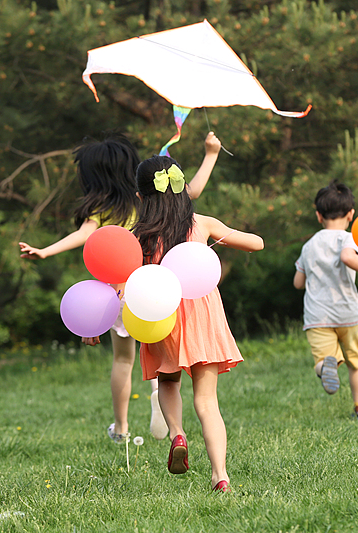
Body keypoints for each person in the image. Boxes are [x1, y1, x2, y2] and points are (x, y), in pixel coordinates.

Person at [19, 132, 223, 444]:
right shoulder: (149, 200)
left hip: (118, 294)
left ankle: (122, 427)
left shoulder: (104, 208)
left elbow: (83, 235)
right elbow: (191, 191)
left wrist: (46, 251)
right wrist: (210, 154)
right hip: (157, 290)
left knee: (124, 360)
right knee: (161, 352)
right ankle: (158, 392)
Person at [115, 154, 263, 493]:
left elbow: (122, 285)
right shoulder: (202, 224)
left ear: (140, 197)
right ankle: (220, 475)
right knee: (207, 400)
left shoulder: (138, 236)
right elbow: (256, 243)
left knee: (168, 382)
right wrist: (218, 241)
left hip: (161, 317)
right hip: (202, 316)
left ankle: (177, 433)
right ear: (184, 190)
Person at [293, 181, 358, 419]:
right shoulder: (348, 239)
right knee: (356, 362)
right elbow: (348, 257)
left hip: (318, 316)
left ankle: (325, 366)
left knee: (322, 359)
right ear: (351, 214)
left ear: (318, 216)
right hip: (348, 313)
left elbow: (298, 282)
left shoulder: (309, 246)